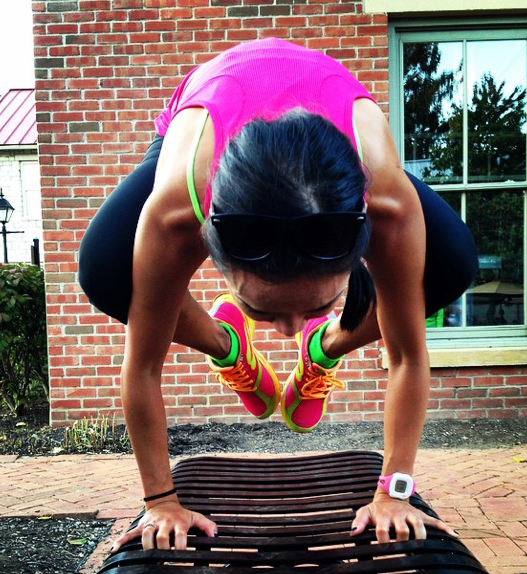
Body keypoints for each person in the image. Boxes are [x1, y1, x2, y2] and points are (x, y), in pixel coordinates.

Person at [78, 38, 478, 552]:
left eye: (317, 307)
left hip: (332, 147)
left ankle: (324, 347)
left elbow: (407, 356)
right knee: (107, 275)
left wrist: (394, 492)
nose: (287, 330)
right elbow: (142, 367)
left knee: (448, 269)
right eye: (259, 309)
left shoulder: (387, 203)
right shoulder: (178, 210)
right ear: (207, 247)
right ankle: (229, 346)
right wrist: (160, 500)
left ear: (363, 246)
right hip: (208, 116)